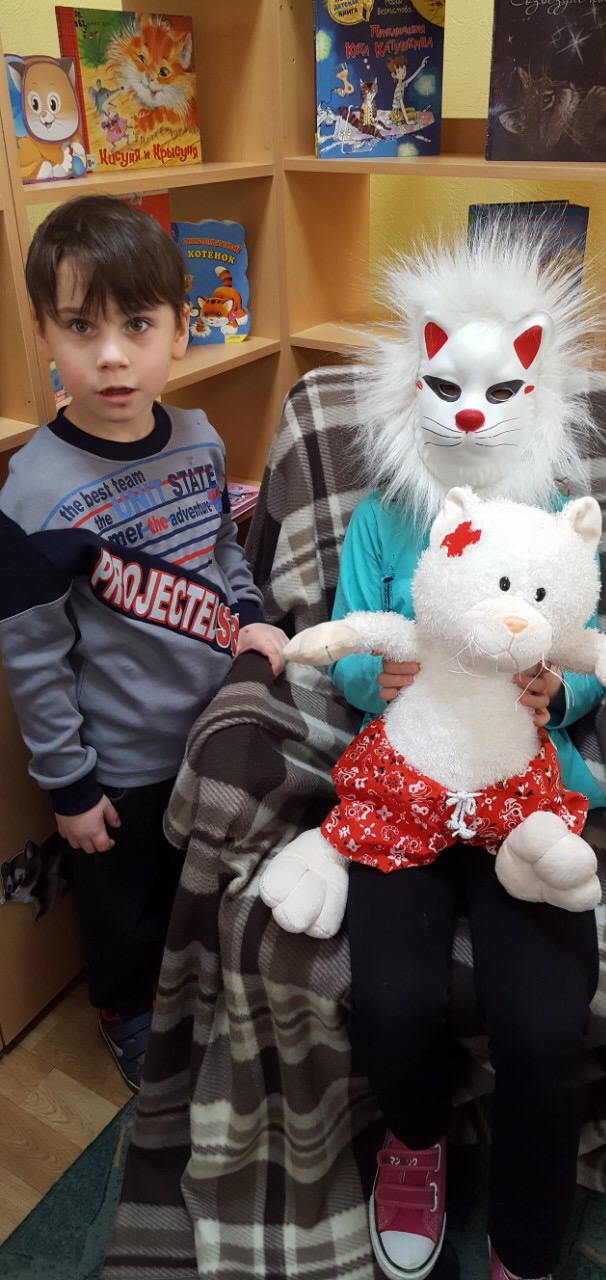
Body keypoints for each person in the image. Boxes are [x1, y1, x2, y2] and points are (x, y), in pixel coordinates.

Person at [327, 234, 606, 1280]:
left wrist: (561, 689)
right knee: (393, 1001)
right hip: (406, 790)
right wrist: (378, 678)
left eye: (500, 390)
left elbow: (591, 643)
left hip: (524, 796)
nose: (472, 413)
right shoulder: (380, 519)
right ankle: (414, 1142)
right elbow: (345, 644)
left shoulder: (556, 517)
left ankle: (528, 1235)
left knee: (542, 1022)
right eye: (447, 386)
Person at [0, 195, 287, 1092]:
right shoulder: (32, 492)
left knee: (192, 883)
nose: (113, 355)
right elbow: (34, 664)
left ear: (181, 330)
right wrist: (70, 785)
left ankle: (190, 986)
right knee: (121, 906)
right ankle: (124, 1012)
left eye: (137, 324)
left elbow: (220, 548)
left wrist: (249, 613)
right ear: (44, 333)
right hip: (119, 764)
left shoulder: (199, 439)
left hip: (215, 730)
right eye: (81, 326)